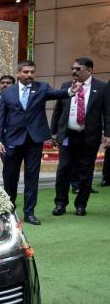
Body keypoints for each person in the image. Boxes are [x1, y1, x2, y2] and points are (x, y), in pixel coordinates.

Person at [0, 60, 82, 225]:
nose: (30, 75)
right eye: (26, 72)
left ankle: (29, 213)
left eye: (32, 72)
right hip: (13, 140)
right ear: (18, 73)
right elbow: (1, 119)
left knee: (32, 177)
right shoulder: (7, 93)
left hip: (34, 140)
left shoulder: (42, 87)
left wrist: (71, 91)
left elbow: (57, 93)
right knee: (10, 177)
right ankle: (9, 211)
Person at [50, 58, 110, 216]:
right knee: (63, 169)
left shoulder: (102, 88)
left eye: (78, 68)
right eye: (72, 68)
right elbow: (57, 111)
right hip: (68, 135)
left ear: (89, 70)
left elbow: (107, 113)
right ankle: (60, 203)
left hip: (89, 136)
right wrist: (54, 132)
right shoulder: (66, 86)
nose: (74, 71)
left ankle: (81, 204)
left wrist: (108, 135)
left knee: (86, 170)